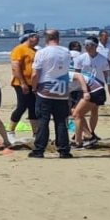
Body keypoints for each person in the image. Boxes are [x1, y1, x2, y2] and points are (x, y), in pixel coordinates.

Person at [30, 30, 75, 159]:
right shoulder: (66, 51)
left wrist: (34, 87)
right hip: (62, 89)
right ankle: (64, 150)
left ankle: (39, 149)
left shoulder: (42, 52)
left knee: (43, 120)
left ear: (46, 38)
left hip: (46, 89)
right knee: (61, 121)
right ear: (58, 38)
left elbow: (35, 73)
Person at [75, 40, 110, 147]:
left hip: (97, 87)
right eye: (85, 45)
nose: (87, 47)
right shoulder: (81, 58)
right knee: (78, 111)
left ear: (95, 46)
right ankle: (84, 133)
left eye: (89, 45)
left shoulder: (102, 59)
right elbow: (77, 73)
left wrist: (105, 86)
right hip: (83, 87)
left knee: (94, 110)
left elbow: (106, 74)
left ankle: (91, 132)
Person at [8, 33, 39, 143]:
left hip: (33, 83)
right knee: (22, 106)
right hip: (21, 83)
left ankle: (36, 133)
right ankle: (10, 132)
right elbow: (15, 66)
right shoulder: (19, 49)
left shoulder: (34, 51)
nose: (38, 41)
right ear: (30, 38)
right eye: (36, 38)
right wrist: (22, 82)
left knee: (33, 108)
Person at [69, 68, 108, 150]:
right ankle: (89, 136)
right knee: (74, 112)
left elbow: (79, 76)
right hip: (92, 90)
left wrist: (85, 91)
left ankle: (78, 142)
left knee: (77, 115)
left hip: (95, 91)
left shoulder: (64, 74)